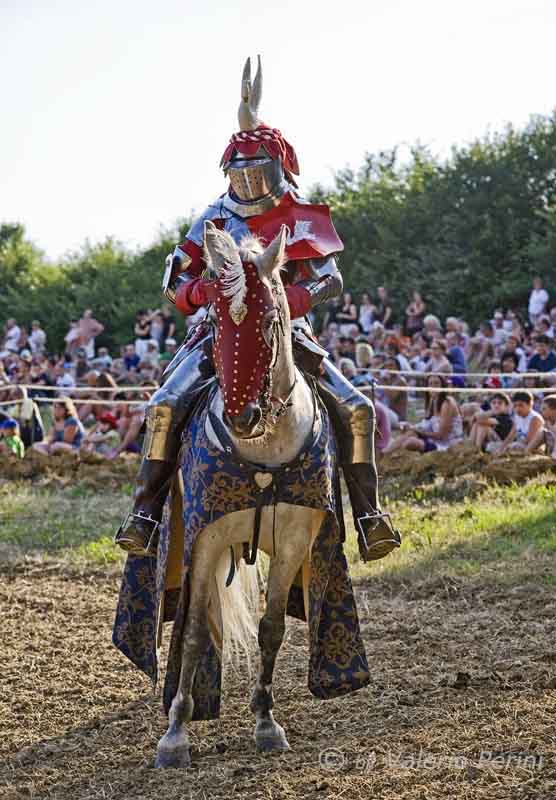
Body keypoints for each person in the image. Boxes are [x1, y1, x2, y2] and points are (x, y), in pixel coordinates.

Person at [115, 56, 398, 562]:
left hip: (286, 332)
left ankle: (370, 515)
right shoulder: (214, 215)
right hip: (215, 332)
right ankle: (144, 514)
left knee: (356, 408)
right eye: (238, 175)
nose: (246, 185)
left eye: (256, 173)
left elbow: (330, 277)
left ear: (277, 169)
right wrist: (199, 295)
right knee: (164, 406)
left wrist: (294, 299)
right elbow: (173, 276)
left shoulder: (298, 214)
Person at [385, 374, 463, 453]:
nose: (433, 386)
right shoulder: (433, 401)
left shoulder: (447, 402)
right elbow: (425, 425)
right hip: (436, 440)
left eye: (436, 383)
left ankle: (390, 454)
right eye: (430, 384)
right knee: (410, 433)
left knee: (410, 442)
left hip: (447, 444)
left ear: (442, 385)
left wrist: (419, 432)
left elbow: (442, 435)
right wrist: (412, 427)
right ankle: (385, 453)